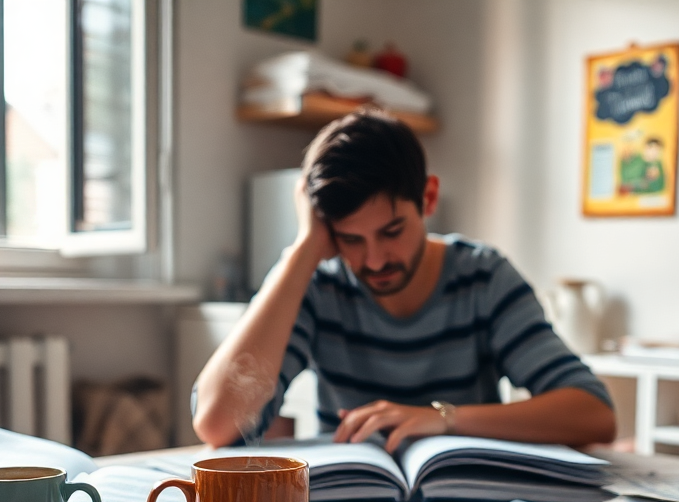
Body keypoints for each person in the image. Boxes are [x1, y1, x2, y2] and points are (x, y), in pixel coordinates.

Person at [193, 110, 616, 452]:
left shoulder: (482, 277)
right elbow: (216, 424)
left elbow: (595, 413)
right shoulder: (320, 285)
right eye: (350, 239)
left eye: (391, 231)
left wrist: (444, 419)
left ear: (428, 199)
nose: (374, 260)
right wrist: (304, 249)